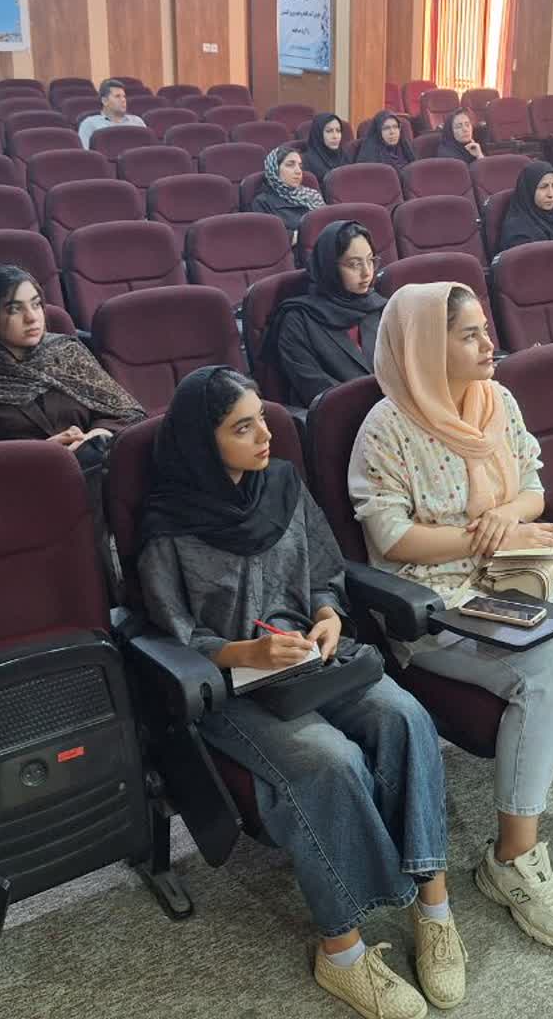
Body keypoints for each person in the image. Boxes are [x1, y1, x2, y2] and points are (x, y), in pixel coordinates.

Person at [349, 282, 553, 954]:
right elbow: (393, 538)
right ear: (426, 346)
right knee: (550, 670)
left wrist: (505, 519)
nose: (489, 343)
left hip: (517, 575)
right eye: (469, 334)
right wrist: (481, 535)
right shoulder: (386, 427)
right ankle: (510, 858)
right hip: (438, 601)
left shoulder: (495, 401)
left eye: (485, 329)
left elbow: (532, 488)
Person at [138, 366, 464, 1019]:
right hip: (231, 687)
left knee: (404, 717)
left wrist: (327, 615)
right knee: (330, 761)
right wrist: (245, 653)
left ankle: (434, 909)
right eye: (243, 428)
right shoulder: (167, 524)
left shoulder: (283, 484)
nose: (266, 435)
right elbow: (172, 634)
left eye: (262, 418)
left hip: (313, 660)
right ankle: (341, 951)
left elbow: (324, 573)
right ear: (204, 442)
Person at [0, 264, 144, 449]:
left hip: (97, 470)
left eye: (36, 305)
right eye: (15, 309)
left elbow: (126, 413)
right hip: (19, 485)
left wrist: (94, 436)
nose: (32, 317)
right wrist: (42, 453)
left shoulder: (67, 353)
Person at [267, 222, 385, 407]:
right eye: (354, 264)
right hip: (340, 415)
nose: (367, 272)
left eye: (370, 260)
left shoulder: (379, 307)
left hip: (392, 409)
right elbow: (313, 387)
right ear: (329, 267)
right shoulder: (297, 319)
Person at [251, 144, 326, 241]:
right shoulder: (262, 202)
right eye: (290, 165)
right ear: (274, 169)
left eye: (300, 166)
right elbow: (269, 238)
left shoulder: (312, 195)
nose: (298, 171)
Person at [76, 78, 146, 148]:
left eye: (124, 96)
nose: (123, 100)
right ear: (105, 101)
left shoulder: (138, 122)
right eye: (117, 96)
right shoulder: (89, 124)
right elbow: (85, 152)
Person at [351, 110, 415, 168]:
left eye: (395, 127)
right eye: (386, 128)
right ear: (378, 132)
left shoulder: (405, 149)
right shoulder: (370, 157)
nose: (392, 132)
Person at [302, 112, 347, 182]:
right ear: (318, 134)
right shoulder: (307, 162)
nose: (335, 136)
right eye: (329, 131)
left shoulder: (344, 156)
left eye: (338, 131)